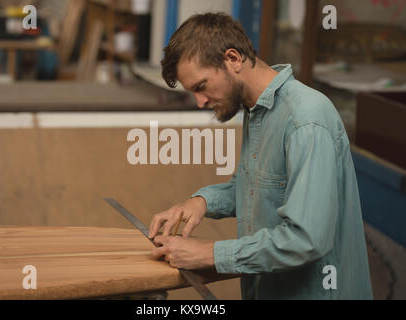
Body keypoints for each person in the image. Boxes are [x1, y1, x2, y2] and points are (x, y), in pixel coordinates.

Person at [148, 12, 373, 299]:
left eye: (201, 87)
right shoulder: (258, 110)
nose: (200, 101)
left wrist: (212, 253)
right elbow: (261, 187)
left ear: (232, 59)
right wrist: (201, 201)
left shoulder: (305, 120)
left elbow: (306, 239)